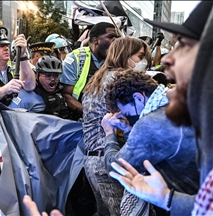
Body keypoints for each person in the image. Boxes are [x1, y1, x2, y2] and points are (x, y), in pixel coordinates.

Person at [108, 1, 213, 215]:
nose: (166, 58)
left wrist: (109, 134)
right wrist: (167, 198)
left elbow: (116, 166)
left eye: (183, 45)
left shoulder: (154, 121)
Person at [101, 69, 199, 215]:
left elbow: (116, 169)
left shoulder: (151, 123)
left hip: (185, 203)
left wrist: (109, 134)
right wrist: (129, 130)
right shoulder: (181, 101)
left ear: (138, 98)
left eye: (127, 113)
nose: (128, 117)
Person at [81, 36, 151, 215]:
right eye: (139, 56)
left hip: (93, 161)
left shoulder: (98, 77)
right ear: (125, 55)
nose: (142, 62)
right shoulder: (119, 80)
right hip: (109, 159)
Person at [61, 22, 117, 120]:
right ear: (96, 40)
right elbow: (66, 95)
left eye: (116, 37)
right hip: (79, 120)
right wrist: (91, 114)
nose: (115, 41)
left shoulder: (115, 61)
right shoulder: (75, 59)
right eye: (110, 37)